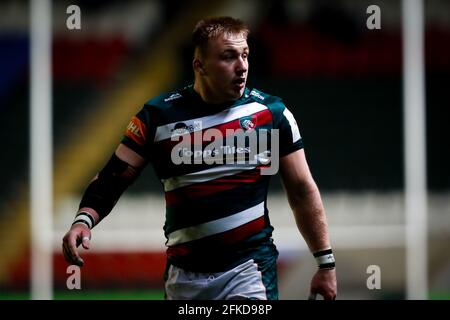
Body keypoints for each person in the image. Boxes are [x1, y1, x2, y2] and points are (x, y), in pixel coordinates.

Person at [62, 16, 337, 300]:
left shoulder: (271, 115)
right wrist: (83, 220)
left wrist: (325, 262)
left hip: (249, 271)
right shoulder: (158, 117)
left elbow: (302, 189)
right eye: (228, 57)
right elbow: (114, 177)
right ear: (199, 65)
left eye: (244, 55)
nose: (241, 66)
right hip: (184, 278)